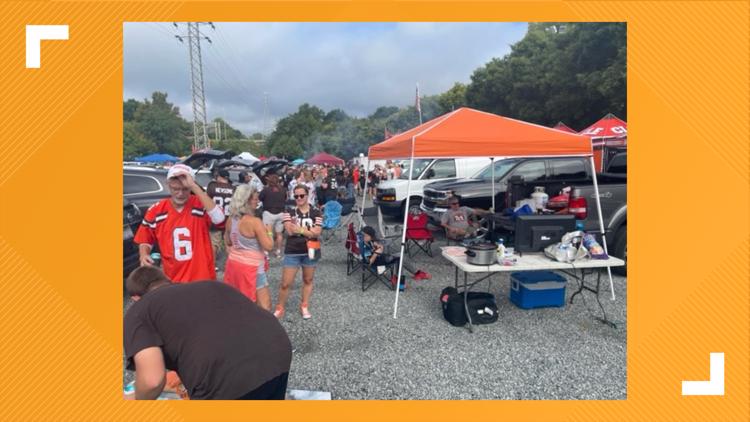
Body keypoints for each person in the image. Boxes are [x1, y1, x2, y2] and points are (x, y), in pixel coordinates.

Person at [123, 266, 292, 400]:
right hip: (277, 349)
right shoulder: (210, 285)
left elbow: (152, 381)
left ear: (135, 298)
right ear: (168, 281)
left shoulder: (139, 311)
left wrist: (139, 401)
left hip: (225, 379)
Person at [134, 164, 224, 282]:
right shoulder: (157, 210)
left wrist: (194, 186)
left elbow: (219, 219)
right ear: (168, 185)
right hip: (172, 278)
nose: (180, 194)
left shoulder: (200, 204)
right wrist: (143, 254)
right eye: (175, 189)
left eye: (185, 189)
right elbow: (145, 239)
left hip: (202, 277)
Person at [274, 185, 322, 320]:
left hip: (310, 250)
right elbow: (289, 231)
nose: (299, 198)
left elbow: (318, 232)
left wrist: (300, 230)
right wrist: (308, 231)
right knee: (285, 283)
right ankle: (280, 307)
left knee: (308, 279)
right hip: (292, 251)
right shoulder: (288, 211)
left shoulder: (316, 211)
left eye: (302, 195)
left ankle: (304, 305)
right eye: (296, 196)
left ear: (308, 195)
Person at [224, 185, 275, 308]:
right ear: (246, 200)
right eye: (255, 199)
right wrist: (269, 231)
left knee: (238, 299)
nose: (257, 202)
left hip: (234, 264)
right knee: (264, 305)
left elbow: (228, 241)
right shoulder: (255, 222)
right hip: (253, 268)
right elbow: (269, 246)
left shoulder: (231, 219)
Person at [360, 226, 431, 284]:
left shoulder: (369, 242)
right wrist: (376, 252)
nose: (364, 237)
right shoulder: (365, 247)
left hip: (381, 258)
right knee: (399, 258)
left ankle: (412, 275)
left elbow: (375, 244)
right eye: (364, 235)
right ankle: (400, 281)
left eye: (366, 236)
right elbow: (369, 262)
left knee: (400, 256)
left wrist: (378, 245)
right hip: (377, 262)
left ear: (371, 237)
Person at [206, 168, 234, 265]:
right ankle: (231, 264)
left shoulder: (212, 186)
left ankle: (212, 265)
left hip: (215, 219)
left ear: (219, 177)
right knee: (229, 243)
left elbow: (206, 199)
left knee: (214, 243)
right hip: (229, 219)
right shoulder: (233, 188)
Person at [260, 173, 287, 258]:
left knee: (269, 233)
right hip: (281, 213)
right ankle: (278, 251)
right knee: (279, 234)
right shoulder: (283, 190)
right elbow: (285, 198)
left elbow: (260, 198)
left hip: (268, 213)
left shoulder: (266, 190)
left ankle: (266, 252)